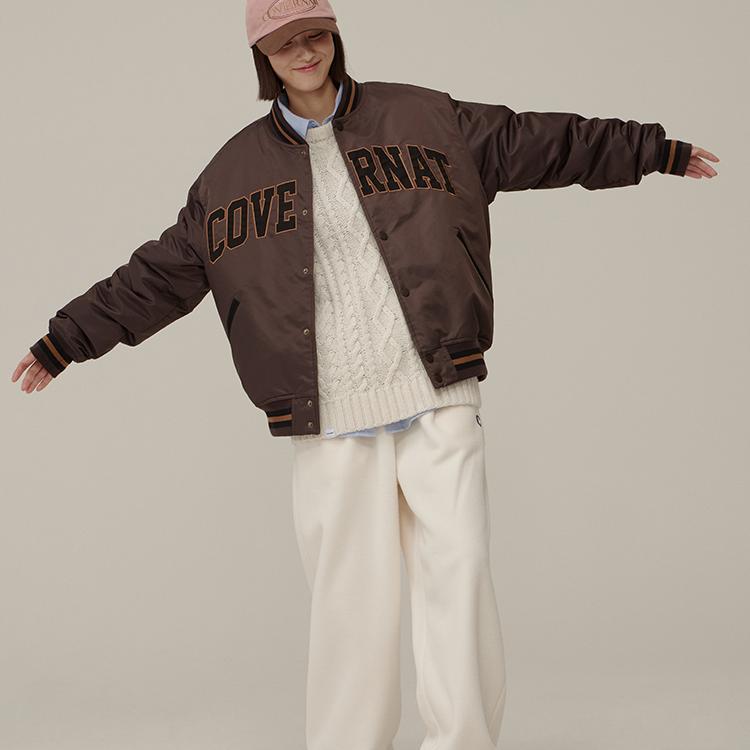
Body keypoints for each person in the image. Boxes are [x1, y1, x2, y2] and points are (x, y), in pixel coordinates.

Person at [11, 1, 719, 749]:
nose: (303, 52)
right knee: (352, 606)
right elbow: (159, 275)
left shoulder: (427, 119)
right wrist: (66, 340)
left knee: (460, 579)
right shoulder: (230, 175)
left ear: (335, 35)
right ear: (263, 57)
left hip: (436, 390)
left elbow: (540, 141)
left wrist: (654, 150)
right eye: (284, 44)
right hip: (328, 414)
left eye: (314, 34)